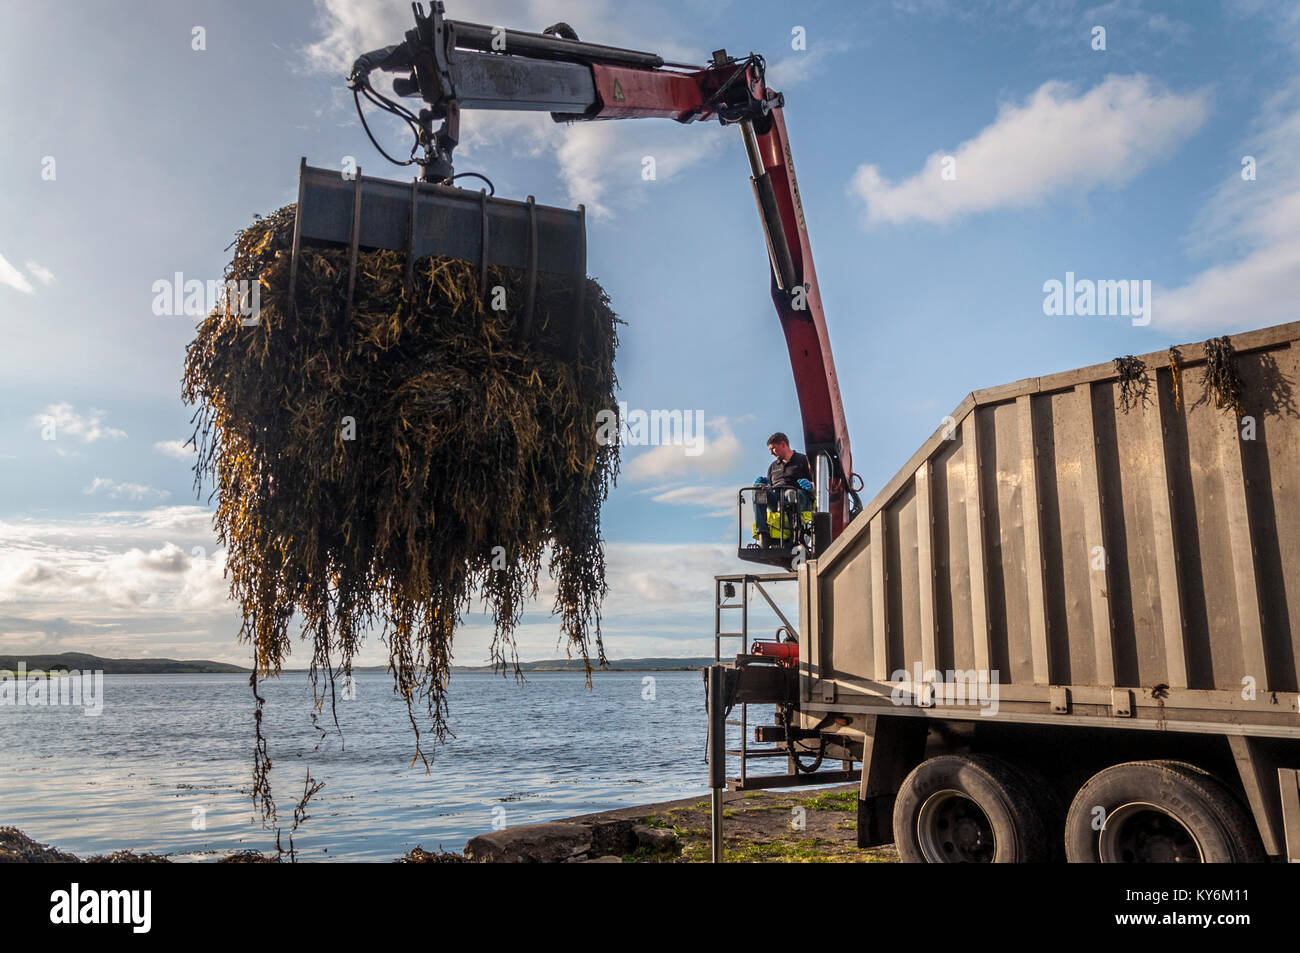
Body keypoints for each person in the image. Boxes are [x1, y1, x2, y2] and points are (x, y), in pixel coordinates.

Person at [752, 432, 813, 547]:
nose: (771, 453)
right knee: (757, 490)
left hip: (799, 498)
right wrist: (764, 487)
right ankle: (763, 534)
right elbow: (771, 487)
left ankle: (795, 534)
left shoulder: (803, 460)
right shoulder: (773, 467)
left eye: (773, 448)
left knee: (790, 493)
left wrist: (810, 484)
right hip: (778, 499)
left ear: (783, 444)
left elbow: (816, 482)